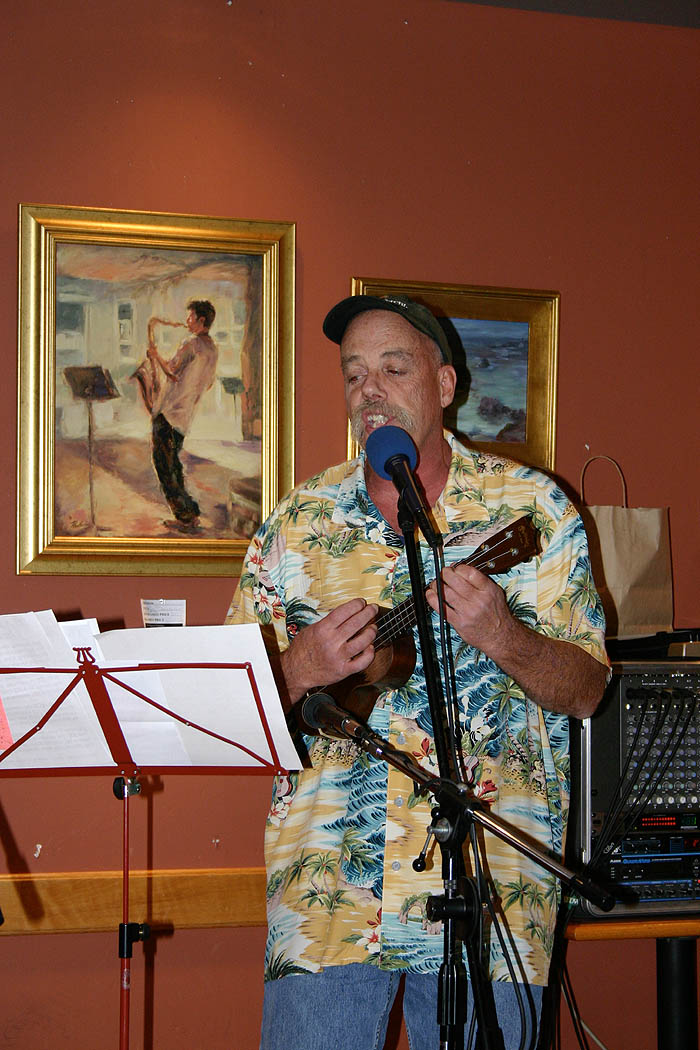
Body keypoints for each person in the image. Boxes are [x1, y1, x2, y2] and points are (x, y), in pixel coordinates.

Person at [225, 294, 609, 1050]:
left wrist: (507, 637)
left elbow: (589, 689)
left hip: (493, 890)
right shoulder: (296, 523)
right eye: (354, 372)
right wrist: (297, 667)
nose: (370, 389)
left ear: (443, 385)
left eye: (393, 368)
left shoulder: (534, 508)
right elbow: (231, 715)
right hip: (328, 899)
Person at [145, 299, 218, 532]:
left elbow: (172, 371)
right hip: (184, 415)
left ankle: (184, 515)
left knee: (164, 466)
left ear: (201, 320)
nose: (186, 321)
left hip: (168, 412)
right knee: (173, 464)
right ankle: (189, 511)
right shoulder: (212, 349)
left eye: (190, 317)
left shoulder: (191, 343)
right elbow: (206, 384)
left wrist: (155, 356)